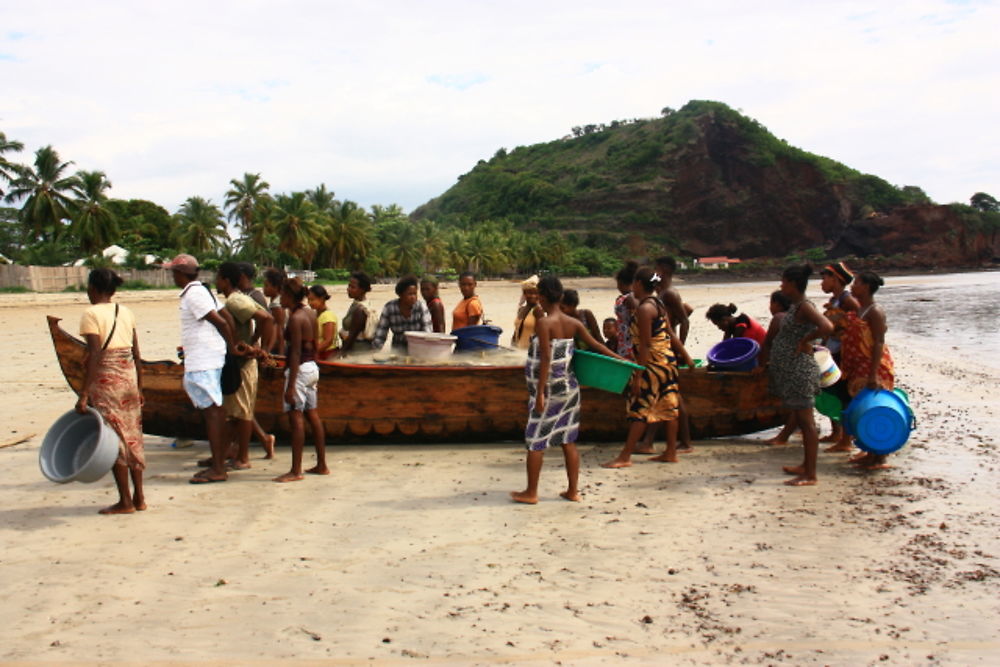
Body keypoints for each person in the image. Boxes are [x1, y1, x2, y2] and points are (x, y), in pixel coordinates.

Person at [511, 276, 622, 504]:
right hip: (570, 388)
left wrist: (540, 393)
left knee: (535, 440)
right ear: (561, 296)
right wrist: (624, 362)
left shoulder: (544, 323)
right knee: (567, 439)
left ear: (541, 297)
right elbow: (598, 346)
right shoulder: (573, 323)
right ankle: (573, 490)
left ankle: (531, 492)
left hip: (549, 390)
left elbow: (546, 358)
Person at [603, 267, 696, 468]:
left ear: (638, 284)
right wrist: (686, 357)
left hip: (652, 365)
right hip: (667, 362)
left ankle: (625, 457)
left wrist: (638, 375)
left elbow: (645, 344)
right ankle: (670, 452)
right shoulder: (658, 303)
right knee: (669, 407)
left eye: (633, 284)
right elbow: (670, 333)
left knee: (640, 408)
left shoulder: (645, 309)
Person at [162, 253, 241, 484]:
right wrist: (228, 346)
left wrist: (232, 348)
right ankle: (218, 463)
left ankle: (218, 468)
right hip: (209, 356)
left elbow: (222, 321)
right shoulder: (201, 291)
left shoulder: (194, 294)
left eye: (172, 272)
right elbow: (226, 316)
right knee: (215, 411)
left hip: (204, 360)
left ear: (179, 273)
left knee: (213, 413)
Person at [75, 269, 146, 514]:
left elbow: (95, 355)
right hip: (129, 379)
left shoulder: (90, 314)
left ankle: (125, 502)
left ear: (93, 288)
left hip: (107, 383)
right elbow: (136, 354)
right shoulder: (125, 312)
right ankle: (140, 498)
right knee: (133, 436)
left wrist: (84, 393)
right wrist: (140, 386)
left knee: (115, 439)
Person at [768, 265, 834, 486]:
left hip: (800, 371)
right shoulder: (797, 307)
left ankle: (811, 475)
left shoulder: (805, 306)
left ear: (793, 284)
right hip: (792, 371)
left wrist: (807, 341)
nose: (781, 285)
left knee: (807, 423)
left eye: (784, 282)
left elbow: (827, 326)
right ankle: (806, 466)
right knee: (803, 420)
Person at [215, 262, 273, 470]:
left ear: (226, 280)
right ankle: (231, 452)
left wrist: (257, 346)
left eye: (218, 277)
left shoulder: (235, 301)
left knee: (243, 412)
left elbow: (266, 319)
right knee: (235, 411)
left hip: (244, 363)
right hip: (239, 362)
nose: (216, 281)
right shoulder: (236, 299)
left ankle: (243, 457)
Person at [274, 277, 329, 482]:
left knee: (295, 417)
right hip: (312, 368)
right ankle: (321, 464)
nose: (280, 298)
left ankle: (295, 470)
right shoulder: (310, 313)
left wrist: (290, 385)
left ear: (289, 296)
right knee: (312, 415)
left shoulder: (296, 318)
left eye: (282, 295)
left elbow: (295, 353)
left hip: (299, 370)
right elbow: (312, 345)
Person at [638, 256, 694, 454]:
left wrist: (680, 350)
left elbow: (685, 320)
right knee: (671, 397)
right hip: (665, 349)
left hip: (664, 351)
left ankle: (651, 441)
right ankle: (682, 441)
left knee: (664, 396)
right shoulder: (662, 293)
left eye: (656, 268)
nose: (655, 271)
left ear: (662, 269)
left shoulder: (669, 293)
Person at [840, 271, 896, 469]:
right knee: (861, 408)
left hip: (873, 366)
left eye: (856, 283)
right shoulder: (860, 309)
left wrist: (873, 373)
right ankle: (868, 452)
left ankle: (880, 457)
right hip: (858, 366)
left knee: (874, 409)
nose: (852, 287)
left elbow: (879, 342)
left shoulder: (875, 311)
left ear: (866, 287)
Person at [817, 262, 860, 450]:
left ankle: (846, 440)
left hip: (843, 354)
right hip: (832, 352)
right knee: (832, 392)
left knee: (843, 395)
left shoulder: (847, 300)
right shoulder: (836, 301)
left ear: (835, 279)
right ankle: (837, 433)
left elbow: (858, 325)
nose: (821, 283)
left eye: (824, 278)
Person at [235, 262, 276, 457]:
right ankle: (259, 438)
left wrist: (260, 347)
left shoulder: (253, 296)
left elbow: (267, 321)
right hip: (246, 353)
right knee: (242, 406)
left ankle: (258, 439)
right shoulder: (246, 296)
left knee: (243, 406)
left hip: (249, 356)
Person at [758, 290, 798, 446]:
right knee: (802, 403)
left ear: (778, 304)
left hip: (790, 365)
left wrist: (762, 366)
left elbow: (767, 344)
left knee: (798, 403)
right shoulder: (797, 315)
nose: (770, 307)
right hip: (801, 362)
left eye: (771, 303)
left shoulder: (779, 318)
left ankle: (784, 436)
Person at [371, 275, 432, 351]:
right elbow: (381, 335)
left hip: (418, 349)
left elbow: (427, 333)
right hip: (397, 350)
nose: (413, 297)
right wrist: (373, 353)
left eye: (415, 294)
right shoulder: (389, 308)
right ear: (400, 295)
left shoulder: (421, 307)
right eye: (410, 294)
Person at [339, 271, 378, 355]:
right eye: (349, 286)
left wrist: (340, 354)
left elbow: (351, 338)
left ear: (362, 290)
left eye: (352, 287)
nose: (348, 289)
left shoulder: (360, 310)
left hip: (357, 352)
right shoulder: (360, 304)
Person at [613, 261, 639, 360]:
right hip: (624, 338)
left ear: (621, 283)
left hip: (629, 340)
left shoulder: (630, 298)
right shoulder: (627, 297)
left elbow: (636, 321)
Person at [308, 285, 339, 361]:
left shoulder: (328, 316)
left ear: (321, 299)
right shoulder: (316, 314)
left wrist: (313, 353)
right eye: (308, 300)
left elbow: (328, 341)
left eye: (312, 300)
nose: (309, 303)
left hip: (326, 354)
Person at [512, 275, 544, 349]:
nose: (533, 296)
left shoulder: (538, 310)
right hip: (517, 350)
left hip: (529, 352)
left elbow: (541, 335)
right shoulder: (521, 309)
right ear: (524, 293)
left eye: (536, 293)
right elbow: (516, 332)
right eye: (529, 293)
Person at [262, 268, 287, 354]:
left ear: (276, 287)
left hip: (277, 346)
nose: (263, 288)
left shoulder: (276, 305)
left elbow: (278, 330)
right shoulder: (279, 300)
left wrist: (268, 349)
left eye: (266, 286)